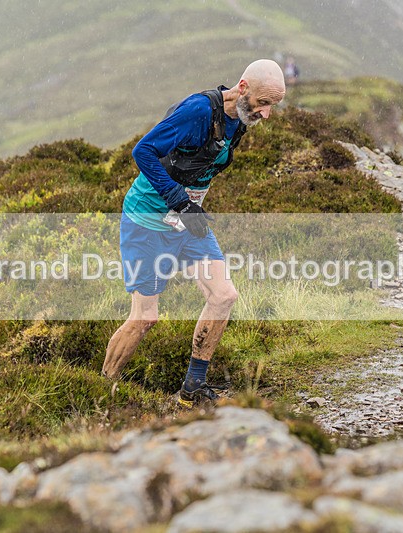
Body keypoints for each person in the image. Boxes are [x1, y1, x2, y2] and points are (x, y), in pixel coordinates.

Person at [102, 59, 286, 407]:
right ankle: (103, 387)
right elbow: (143, 152)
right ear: (243, 88)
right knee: (145, 317)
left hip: (187, 222)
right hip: (147, 221)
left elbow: (201, 167)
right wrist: (178, 201)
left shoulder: (241, 121)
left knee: (224, 295)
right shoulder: (197, 111)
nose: (266, 114)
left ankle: (193, 387)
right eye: (263, 103)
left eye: (272, 106)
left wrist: (191, 207)